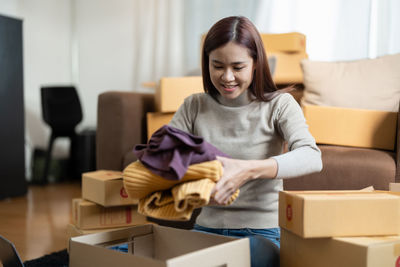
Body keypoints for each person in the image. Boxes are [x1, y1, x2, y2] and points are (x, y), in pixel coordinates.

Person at [168, 16, 322, 267]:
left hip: (261, 235)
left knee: (239, 258)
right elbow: (162, 160)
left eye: (238, 67)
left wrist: (248, 169)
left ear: (255, 63)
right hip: (206, 230)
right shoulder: (193, 106)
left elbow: (311, 156)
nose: (227, 77)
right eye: (217, 65)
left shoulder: (279, 105)